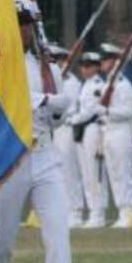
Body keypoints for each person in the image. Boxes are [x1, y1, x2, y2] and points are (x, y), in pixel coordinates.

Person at [0, 0, 86, 263]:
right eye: (18, 22)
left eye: (28, 23)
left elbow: (56, 118)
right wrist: (44, 101)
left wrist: (58, 108)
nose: (23, 30)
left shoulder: (46, 67)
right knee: (1, 242)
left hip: (45, 154)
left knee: (58, 234)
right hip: (10, 158)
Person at [96, 42, 132, 228]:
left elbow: (128, 112)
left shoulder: (123, 85)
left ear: (115, 61)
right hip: (108, 131)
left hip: (121, 132)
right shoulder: (109, 84)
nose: (102, 63)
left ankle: (128, 212)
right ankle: (122, 212)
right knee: (114, 173)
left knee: (123, 172)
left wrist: (107, 111)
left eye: (105, 60)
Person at [47, 43, 86, 228]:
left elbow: (70, 107)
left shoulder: (71, 83)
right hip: (53, 130)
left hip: (66, 128)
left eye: (56, 60)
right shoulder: (53, 81)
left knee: (70, 170)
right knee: (58, 173)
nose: (53, 63)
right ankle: (65, 210)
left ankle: (76, 211)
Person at [71, 52, 108, 228]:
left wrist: (72, 119)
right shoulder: (85, 84)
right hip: (82, 131)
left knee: (94, 173)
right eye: (83, 66)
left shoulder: (97, 86)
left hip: (93, 128)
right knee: (86, 173)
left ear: (97, 67)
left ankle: (98, 213)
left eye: (89, 66)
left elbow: (90, 111)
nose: (85, 69)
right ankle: (92, 210)